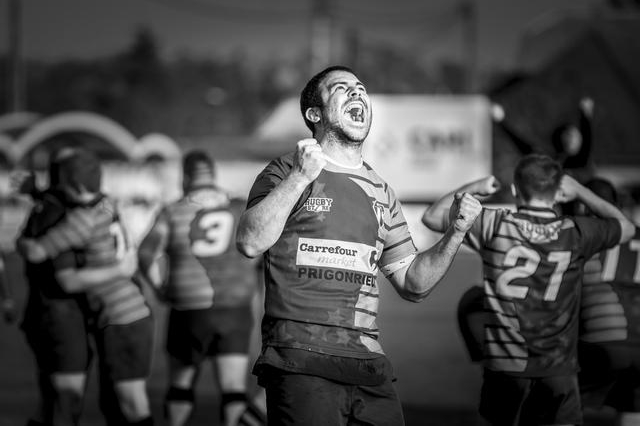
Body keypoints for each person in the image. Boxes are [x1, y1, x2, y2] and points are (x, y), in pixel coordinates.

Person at [235, 65, 482, 426]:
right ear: (314, 114)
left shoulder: (382, 191)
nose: (356, 93)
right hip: (301, 360)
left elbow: (414, 283)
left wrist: (456, 232)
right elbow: (250, 241)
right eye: (341, 88)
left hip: (369, 366)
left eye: (360, 88)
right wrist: (302, 176)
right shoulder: (285, 171)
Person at [422, 154, 635, 426]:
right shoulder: (575, 231)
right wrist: (581, 190)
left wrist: (474, 187)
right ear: (559, 192)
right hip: (557, 368)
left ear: (514, 190)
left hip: (505, 367)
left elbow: (432, 217)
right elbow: (626, 228)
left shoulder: (494, 224)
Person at [18, 148, 154, 426]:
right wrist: (38, 194)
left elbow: (36, 252)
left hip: (120, 317)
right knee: (116, 404)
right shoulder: (110, 204)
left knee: (130, 404)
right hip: (133, 311)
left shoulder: (81, 219)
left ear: (72, 184)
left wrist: (21, 242)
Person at [138, 150, 266, 426]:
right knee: (233, 389)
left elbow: (146, 255)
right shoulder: (239, 207)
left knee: (180, 385)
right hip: (235, 308)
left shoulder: (173, 211)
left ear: (186, 177)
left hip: (189, 309)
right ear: (212, 175)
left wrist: (160, 289)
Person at [16, 147, 95, 426]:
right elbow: (66, 277)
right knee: (67, 399)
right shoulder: (66, 214)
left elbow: (25, 246)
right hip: (62, 316)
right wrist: (119, 271)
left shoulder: (43, 207)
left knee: (49, 399)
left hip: (39, 312)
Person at [577, 178, 640, 426]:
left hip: (603, 342)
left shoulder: (584, 239)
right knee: (633, 409)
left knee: (555, 399)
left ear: (582, 207)